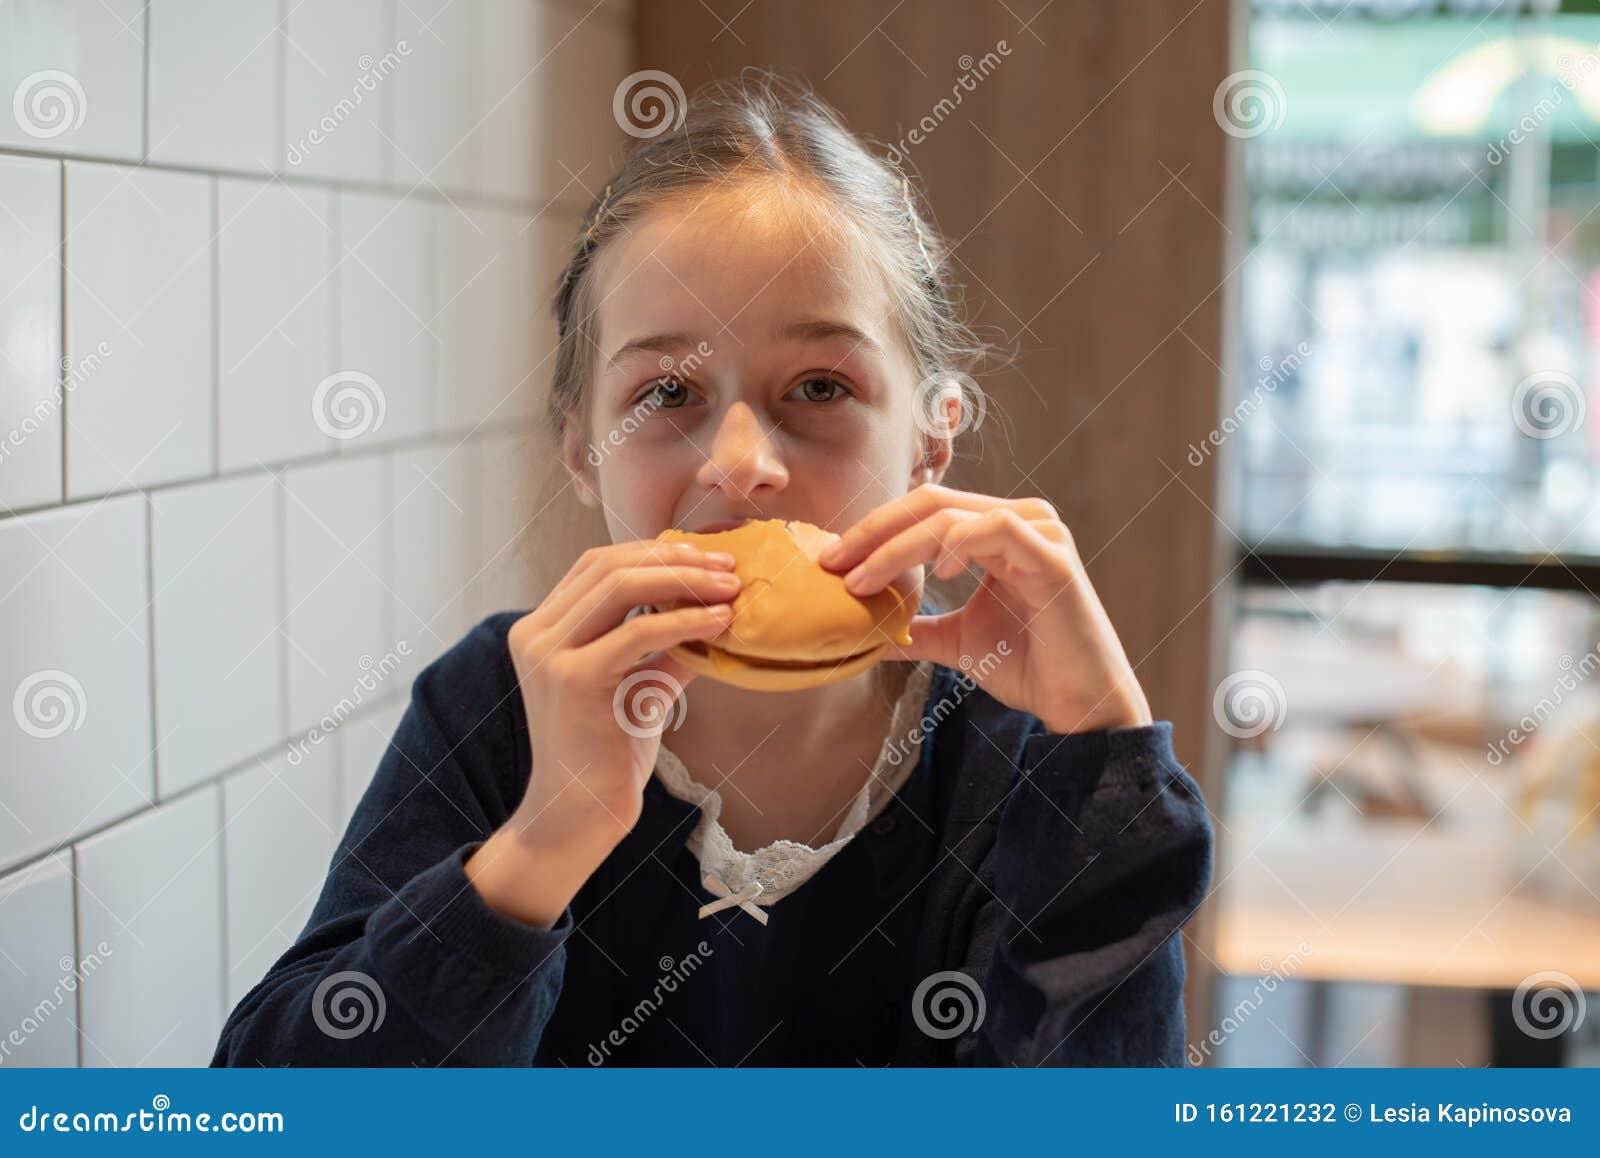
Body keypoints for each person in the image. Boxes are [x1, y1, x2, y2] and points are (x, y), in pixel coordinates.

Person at [212, 71, 1213, 1068]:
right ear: (581, 446)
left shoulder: (1029, 758)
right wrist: (546, 840)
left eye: (819, 386)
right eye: (666, 392)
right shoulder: (503, 703)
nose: (740, 465)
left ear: (930, 440)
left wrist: (1104, 763)